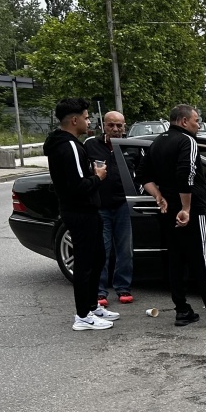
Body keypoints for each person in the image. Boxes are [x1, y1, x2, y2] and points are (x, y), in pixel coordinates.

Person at [137, 104, 206, 328]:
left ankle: (182, 310)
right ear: (184, 121)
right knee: (202, 260)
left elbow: (143, 175)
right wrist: (186, 208)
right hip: (192, 210)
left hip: (167, 210)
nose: (198, 125)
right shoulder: (187, 141)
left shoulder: (156, 142)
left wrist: (159, 196)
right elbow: (186, 174)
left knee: (176, 260)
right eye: (196, 120)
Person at [44, 97, 120, 331]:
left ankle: (92, 305)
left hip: (86, 210)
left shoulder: (69, 144)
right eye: (87, 117)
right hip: (80, 212)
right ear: (74, 120)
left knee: (97, 258)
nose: (89, 121)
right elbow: (77, 185)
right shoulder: (69, 146)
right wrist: (98, 177)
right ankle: (83, 316)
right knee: (85, 264)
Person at [85, 111, 133, 307]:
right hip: (100, 206)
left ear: (125, 127)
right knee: (102, 250)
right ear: (103, 125)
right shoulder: (90, 145)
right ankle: (100, 291)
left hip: (123, 204)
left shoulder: (131, 147)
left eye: (119, 126)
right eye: (111, 125)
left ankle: (123, 288)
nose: (115, 129)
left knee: (125, 250)